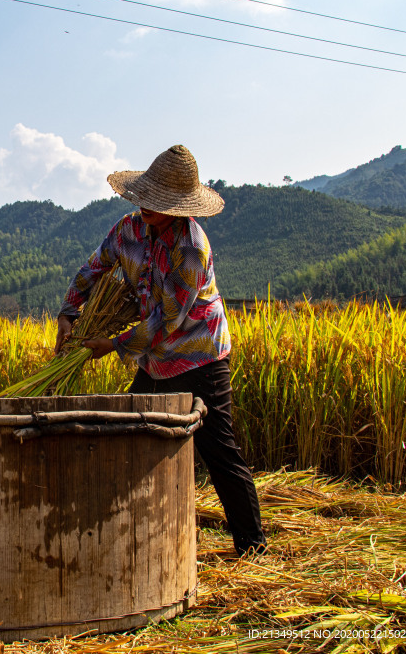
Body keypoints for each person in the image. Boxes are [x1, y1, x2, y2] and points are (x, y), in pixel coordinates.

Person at [56, 144, 266, 557]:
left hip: (198, 355)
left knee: (218, 450)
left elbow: (163, 323)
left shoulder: (191, 248)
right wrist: (69, 309)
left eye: (158, 203)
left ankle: (252, 546)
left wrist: (110, 345)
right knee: (134, 440)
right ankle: (138, 537)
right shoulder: (128, 230)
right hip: (153, 359)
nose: (147, 208)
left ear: (178, 207)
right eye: (145, 199)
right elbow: (94, 267)